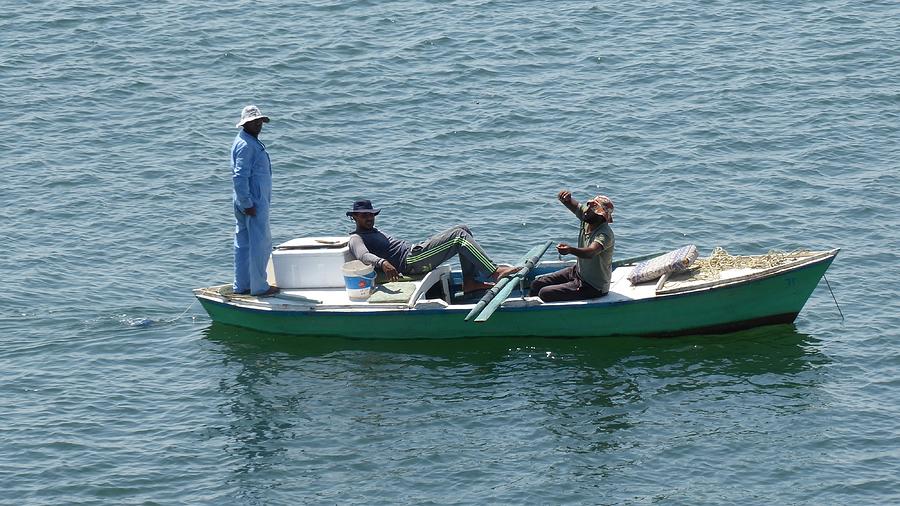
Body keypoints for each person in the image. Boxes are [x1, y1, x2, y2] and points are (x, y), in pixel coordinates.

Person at [346, 199, 520, 293]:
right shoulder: (356, 238)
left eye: (371, 215)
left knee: (463, 229)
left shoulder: (373, 231)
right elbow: (363, 256)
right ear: (354, 217)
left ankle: (470, 282)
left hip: (414, 253)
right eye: (363, 216)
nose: (369, 218)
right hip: (410, 262)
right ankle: (494, 272)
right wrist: (382, 263)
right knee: (459, 237)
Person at [529, 191, 615, 302]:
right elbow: (572, 204)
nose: (586, 211)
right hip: (578, 272)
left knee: (545, 293)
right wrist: (565, 198)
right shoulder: (587, 218)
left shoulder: (604, 234)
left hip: (592, 286)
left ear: (601, 217)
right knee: (537, 284)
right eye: (588, 207)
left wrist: (570, 250)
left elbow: (591, 252)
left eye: (592, 210)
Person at [231, 105, 279, 296]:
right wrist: (248, 203)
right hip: (253, 202)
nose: (258, 124)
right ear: (245, 124)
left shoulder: (245, 141)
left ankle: (242, 285)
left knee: (243, 243)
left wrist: (244, 202)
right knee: (261, 243)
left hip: (246, 201)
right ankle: (259, 287)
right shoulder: (246, 145)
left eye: (259, 121)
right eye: (253, 122)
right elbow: (239, 176)